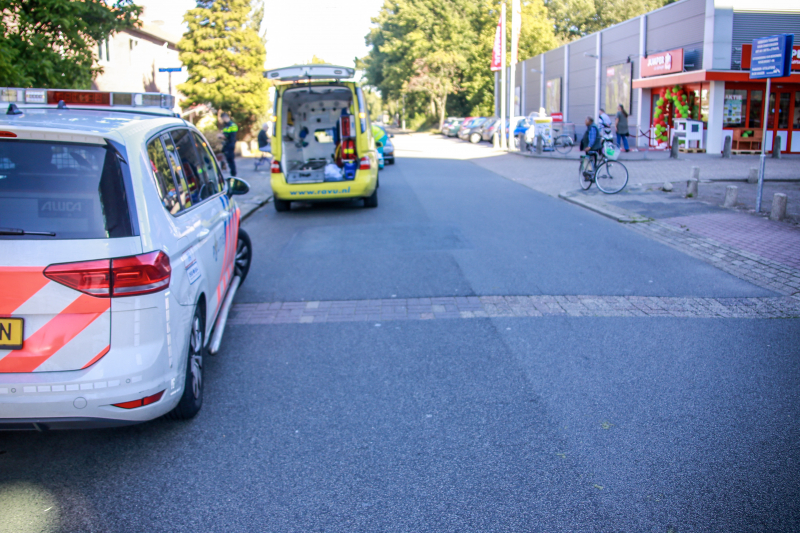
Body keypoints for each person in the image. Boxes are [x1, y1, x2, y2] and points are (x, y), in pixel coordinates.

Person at [220, 112, 238, 177]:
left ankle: (233, 173)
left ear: (224, 118)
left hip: (230, 144)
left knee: (230, 158)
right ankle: (231, 172)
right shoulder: (227, 125)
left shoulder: (232, 125)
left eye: (222, 119)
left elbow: (230, 136)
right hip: (227, 144)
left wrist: (222, 136)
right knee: (227, 158)